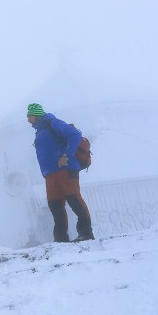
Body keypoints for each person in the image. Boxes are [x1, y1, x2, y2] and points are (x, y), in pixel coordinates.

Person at [27, 103, 94, 242]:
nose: (28, 119)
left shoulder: (53, 123)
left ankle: (86, 233)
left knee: (74, 199)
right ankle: (60, 239)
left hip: (66, 169)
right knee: (55, 205)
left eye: (30, 116)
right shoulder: (40, 130)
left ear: (37, 115)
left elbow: (75, 134)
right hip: (50, 174)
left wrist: (66, 156)